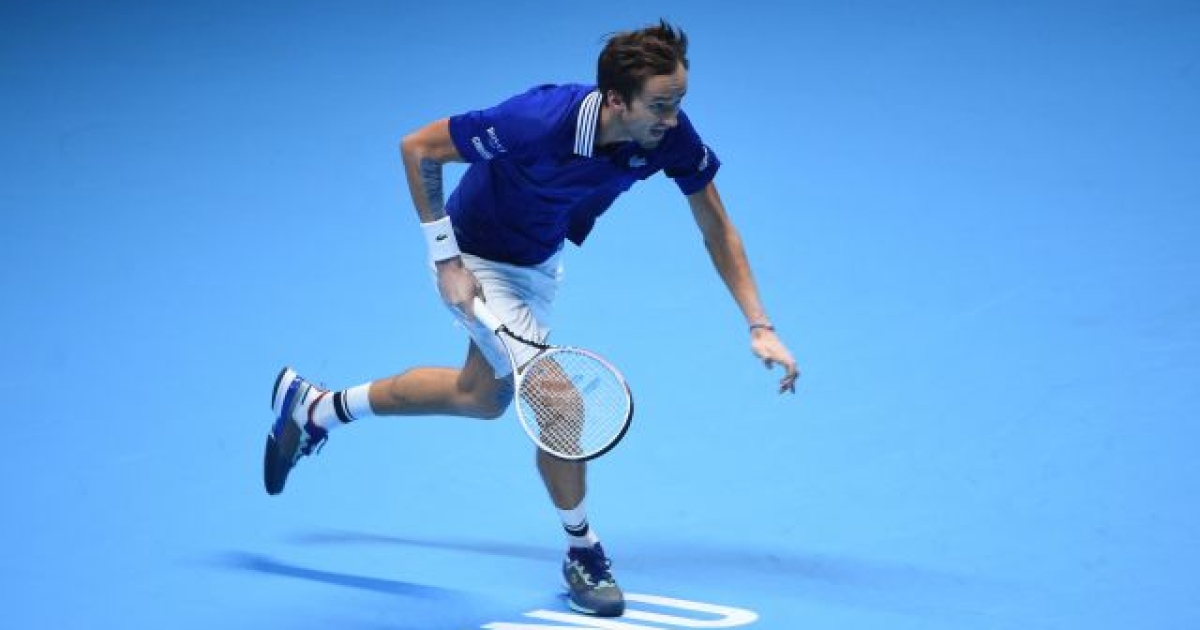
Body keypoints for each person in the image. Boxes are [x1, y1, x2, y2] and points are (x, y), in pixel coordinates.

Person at [263, 19, 799, 618]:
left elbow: (715, 224)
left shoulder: (666, 133)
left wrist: (760, 324)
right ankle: (583, 552)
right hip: (475, 257)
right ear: (616, 101)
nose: (672, 119)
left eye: (679, 102)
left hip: (538, 262)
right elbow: (418, 148)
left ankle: (315, 409)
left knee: (479, 396)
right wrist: (446, 260)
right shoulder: (536, 120)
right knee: (560, 404)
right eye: (660, 105)